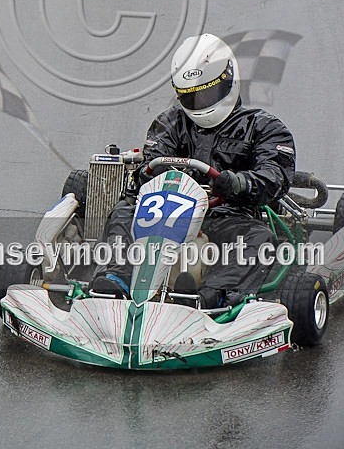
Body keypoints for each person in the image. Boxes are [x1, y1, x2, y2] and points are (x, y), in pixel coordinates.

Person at [92, 33, 297, 307]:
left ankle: (213, 293)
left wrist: (238, 183)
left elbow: (275, 175)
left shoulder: (263, 127)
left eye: (207, 93)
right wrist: (147, 173)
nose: (200, 103)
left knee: (258, 237)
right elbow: (150, 162)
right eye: (191, 97)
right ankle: (115, 277)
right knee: (123, 212)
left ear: (228, 81)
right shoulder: (171, 122)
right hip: (167, 212)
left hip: (226, 215)